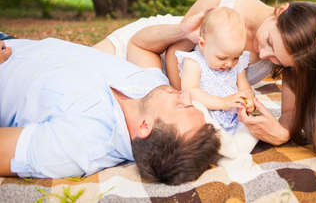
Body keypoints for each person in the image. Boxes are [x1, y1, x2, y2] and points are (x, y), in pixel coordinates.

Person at [94, 0, 316, 160]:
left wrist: (280, 134)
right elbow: (174, 52)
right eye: (269, 42)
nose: (267, 57)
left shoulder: (295, 52)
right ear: (280, 11)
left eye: (279, 61)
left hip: (157, 81)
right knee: (78, 72)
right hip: (155, 43)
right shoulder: (222, 0)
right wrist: (189, 103)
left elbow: (289, 120)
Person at [0, 38, 220, 185]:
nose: (184, 94)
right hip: (15, 41)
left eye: (181, 104)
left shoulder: (78, 146)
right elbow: (141, 44)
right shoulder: (152, 90)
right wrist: (187, 30)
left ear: (145, 126)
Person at [175, 7, 255, 134]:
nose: (229, 64)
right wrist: (223, 102)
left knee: (251, 129)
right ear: (202, 44)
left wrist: (248, 101)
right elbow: (191, 92)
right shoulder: (193, 62)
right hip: (205, 116)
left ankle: (237, 145)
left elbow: (244, 88)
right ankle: (222, 144)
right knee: (194, 128)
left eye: (235, 57)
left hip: (234, 117)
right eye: (222, 57)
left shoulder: (237, 63)